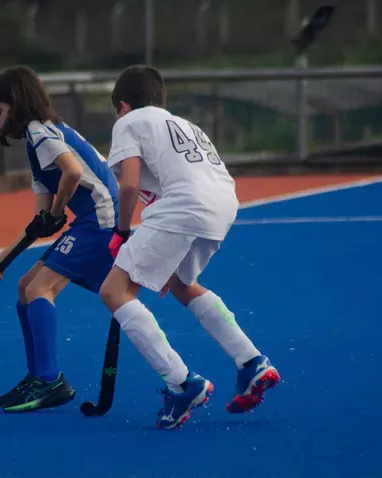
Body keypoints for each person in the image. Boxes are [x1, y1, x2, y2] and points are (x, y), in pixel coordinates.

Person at [99, 65, 280, 430]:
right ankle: (251, 361)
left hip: (185, 205)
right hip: (223, 203)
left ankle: (182, 383)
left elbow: (128, 184)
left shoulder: (129, 122)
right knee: (182, 284)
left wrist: (121, 231)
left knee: (114, 291)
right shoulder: (184, 124)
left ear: (123, 105)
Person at [0, 66, 119, 413]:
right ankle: (37, 376)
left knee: (40, 289)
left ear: (17, 104)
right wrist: (1, 260)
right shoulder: (39, 142)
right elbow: (39, 222)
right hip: (91, 221)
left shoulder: (40, 132)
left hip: (102, 221)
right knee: (25, 287)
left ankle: (49, 381)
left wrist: (57, 211)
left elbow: (72, 172)